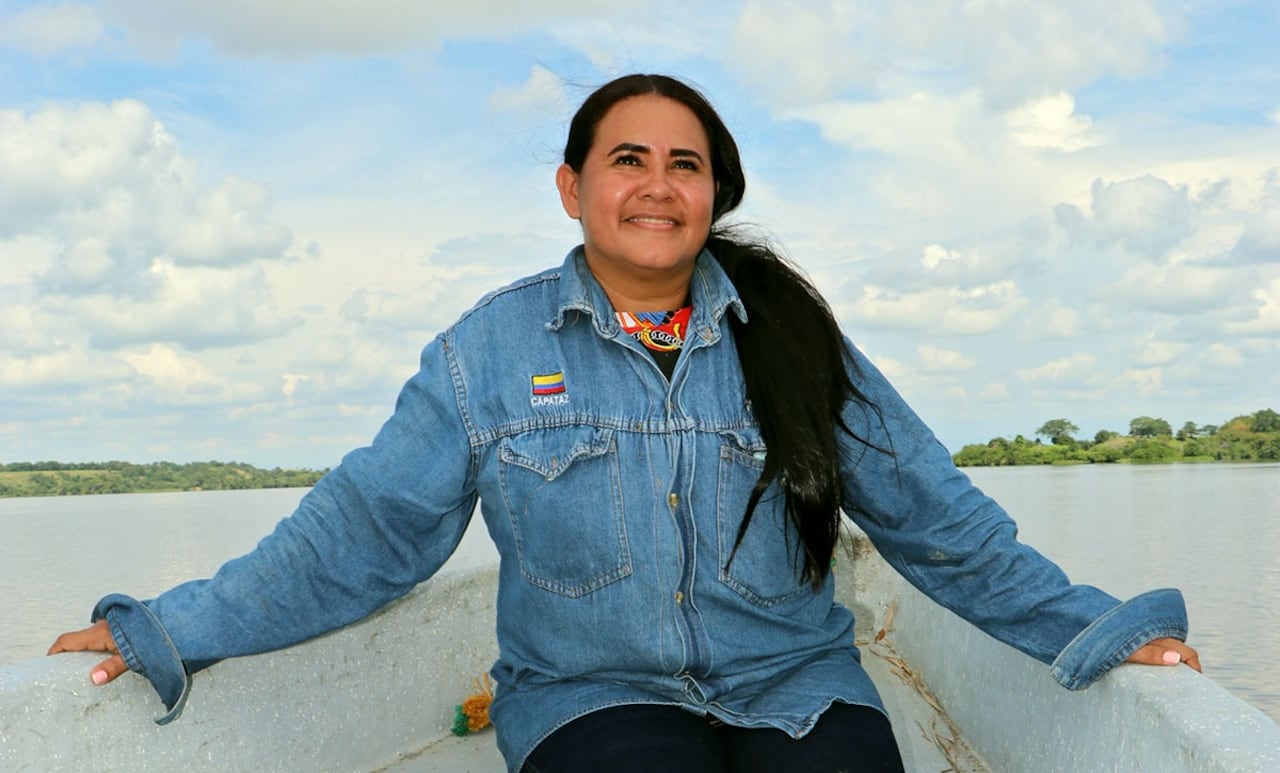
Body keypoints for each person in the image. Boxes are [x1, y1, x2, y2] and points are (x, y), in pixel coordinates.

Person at [50, 73, 1201, 772]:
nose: (657, 186)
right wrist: (167, 625)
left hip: (798, 684)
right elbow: (361, 532)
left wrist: (1091, 627)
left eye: (685, 165)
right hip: (587, 696)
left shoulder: (797, 344)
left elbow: (935, 517)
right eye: (628, 159)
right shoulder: (485, 353)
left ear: (716, 194)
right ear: (571, 186)